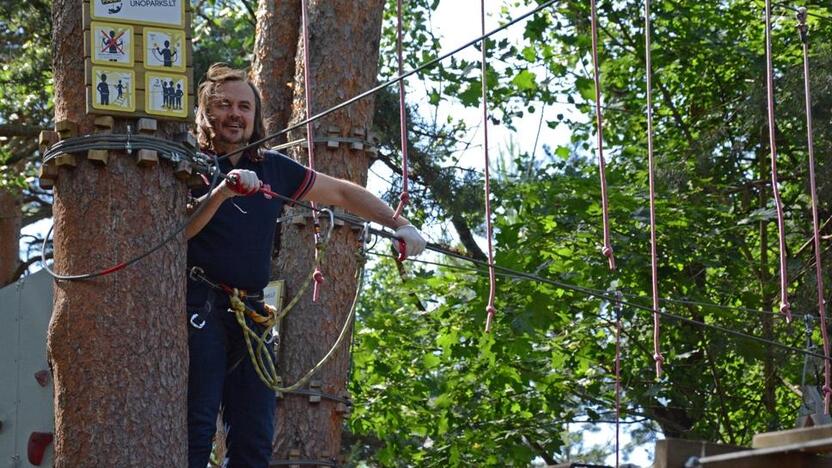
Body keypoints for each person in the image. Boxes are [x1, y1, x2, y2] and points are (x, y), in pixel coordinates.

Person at [185, 63, 426, 468]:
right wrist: (222, 193)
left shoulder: (273, 169)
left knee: (254, 441)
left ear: (255, 117)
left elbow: (341, 193)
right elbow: (181, 232)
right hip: (201, 304)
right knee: (196, 427)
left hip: (252, 315)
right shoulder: (189, 165)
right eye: (223, 105)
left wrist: (399, 223)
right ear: (205, 113)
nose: (235, 114)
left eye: (244, 107)